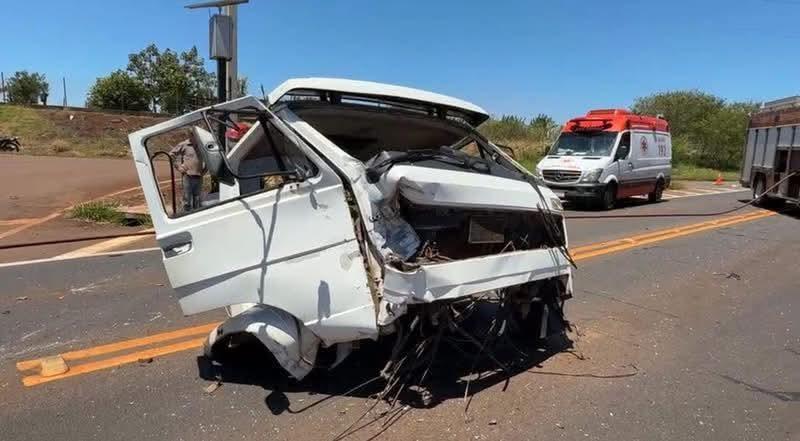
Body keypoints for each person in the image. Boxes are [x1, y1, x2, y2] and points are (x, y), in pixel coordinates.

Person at [169, 139, 204, 213]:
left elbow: (208, 156)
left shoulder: (202, 144)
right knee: (187, 199)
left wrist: (205, 170)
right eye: (192, 134)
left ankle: (197, 215)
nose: (194, 135)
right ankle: (186, 215)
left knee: (197, 199)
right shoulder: (184, 145)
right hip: (187, 176)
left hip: (199, 176)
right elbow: (171, 155)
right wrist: (178, 167)